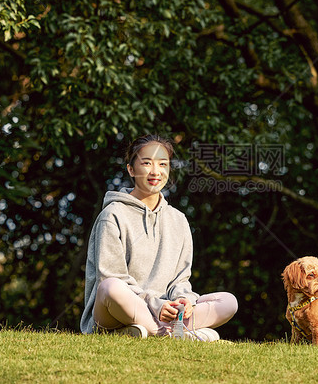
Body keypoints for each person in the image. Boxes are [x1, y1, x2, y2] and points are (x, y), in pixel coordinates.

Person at [80, 134, 238, 340]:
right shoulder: (112, 215)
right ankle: (175, 334)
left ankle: (147, 331)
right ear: (131, 169)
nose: (155, 171)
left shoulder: (178, 220)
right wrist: (156, 305)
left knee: (228, 302)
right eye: (147, 163)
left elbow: (180, 279)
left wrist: (183, 301)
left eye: (163, 164)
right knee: (111, 288)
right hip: (115, 311)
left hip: (166, 313)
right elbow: (110, 277)